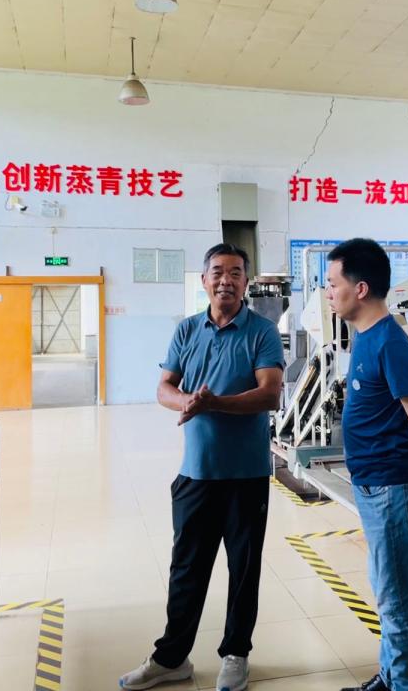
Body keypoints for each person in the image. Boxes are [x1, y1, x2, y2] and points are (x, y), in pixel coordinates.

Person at [120, 243, 284, 691]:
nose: (226, 280)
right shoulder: (187, 330)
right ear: (204, 279)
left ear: (246, 282)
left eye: (235, 272)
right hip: (195, 474)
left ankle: (236, 653)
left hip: (246, 476)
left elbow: (270, 394)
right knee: (186, 570)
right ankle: (171, 658)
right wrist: (187, 402)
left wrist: (215, 404)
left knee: (243, 570)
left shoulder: (262, 333)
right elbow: (164, 388)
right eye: (218, 271)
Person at [324, 238, 408, 691]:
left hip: (391, 486)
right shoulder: (365, 338)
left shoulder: (390, 342)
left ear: (361, 289)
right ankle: (392, 676)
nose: (328, 293)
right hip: (374, 484)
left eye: (333, 283)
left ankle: (407, 685)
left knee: (396, 596)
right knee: (386, 587)